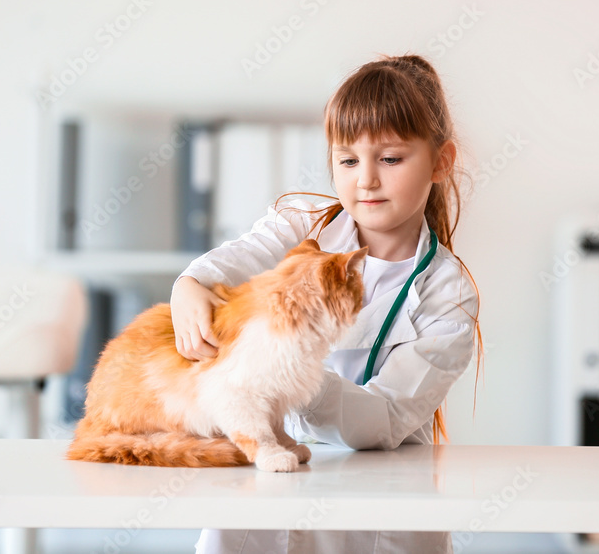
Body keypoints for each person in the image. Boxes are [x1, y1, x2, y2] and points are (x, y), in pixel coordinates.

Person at [170, 53, 484, 554]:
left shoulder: (448, 294)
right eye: (348, 160)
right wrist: (190, 283)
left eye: (391, 158)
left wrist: (294, 378)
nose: (366, 180)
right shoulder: (303, 226)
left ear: (441, 162)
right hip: (265, 492)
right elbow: (237, 259)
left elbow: (385, 420)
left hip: (383, 515)